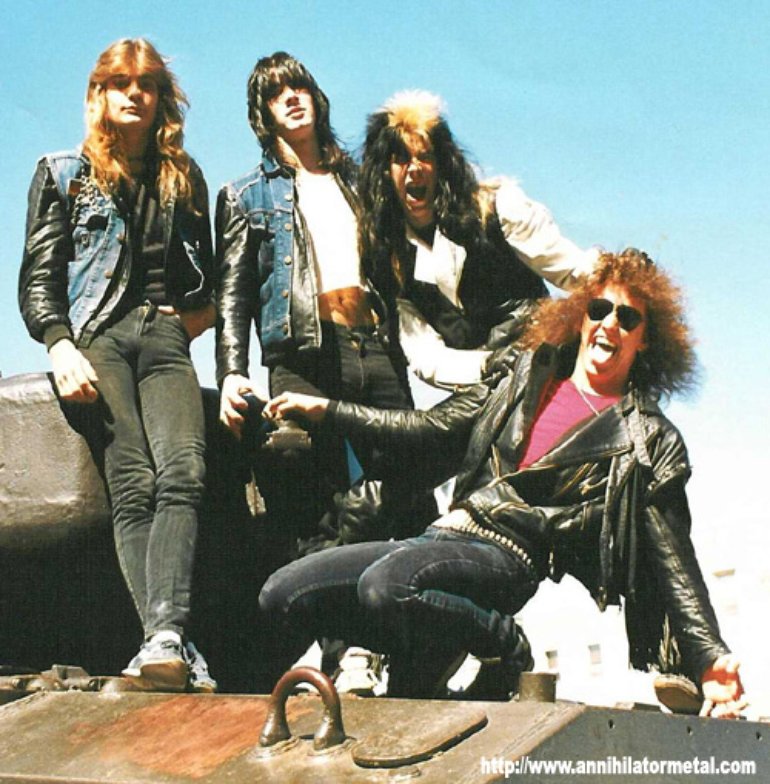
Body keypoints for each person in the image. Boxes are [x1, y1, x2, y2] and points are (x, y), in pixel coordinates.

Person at [259, 250, 746, 717]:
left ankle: (507, 648)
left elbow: (672, 555)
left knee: (386, 586)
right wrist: (329, 411)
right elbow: (429, 427)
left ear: (645, 341)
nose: (610, 324)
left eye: (628, 318)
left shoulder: (646, 437)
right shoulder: (523, 375)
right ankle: (429, 645)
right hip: (443, 536)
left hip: (509, 554)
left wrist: (708, 660)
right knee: (283, 593)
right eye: (599, 309)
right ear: (581, 317)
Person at [19, 38, 216, 692]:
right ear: (98, 94)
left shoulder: (183, 178)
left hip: (164, 337)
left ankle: (167, 638)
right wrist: (59, 344)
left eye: (147, 83)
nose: (135, 93)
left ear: (161, 98)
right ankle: (167, 639)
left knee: (184, 470)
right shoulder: (63, 173)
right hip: (97, 337)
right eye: (121, 83)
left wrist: (190, 323)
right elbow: (40, 276)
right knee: (133, 482)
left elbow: (210, 276)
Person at [215, 53, 434, 558]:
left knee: (409, 477)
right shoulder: (245, 195)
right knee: (313, 495)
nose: (291, 98)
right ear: (263, 115)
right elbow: (234, 291)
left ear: (316, 97)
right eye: (276, 94)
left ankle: (422, 599)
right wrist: (232, 372)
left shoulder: (360, 180)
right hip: (303, 353)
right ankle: (332, 611)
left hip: (374, 343)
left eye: (299, 87)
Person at [359, 90, 600, 388]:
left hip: (542, 367)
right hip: (478, 387)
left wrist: (621, 275)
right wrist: (486, 365)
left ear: (442, 164)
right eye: (401, 159)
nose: (415, 169)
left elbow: (573, 269)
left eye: (425, 156)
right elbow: (425, 354)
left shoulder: (497, 208)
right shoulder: (391, 261)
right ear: (384, 171)